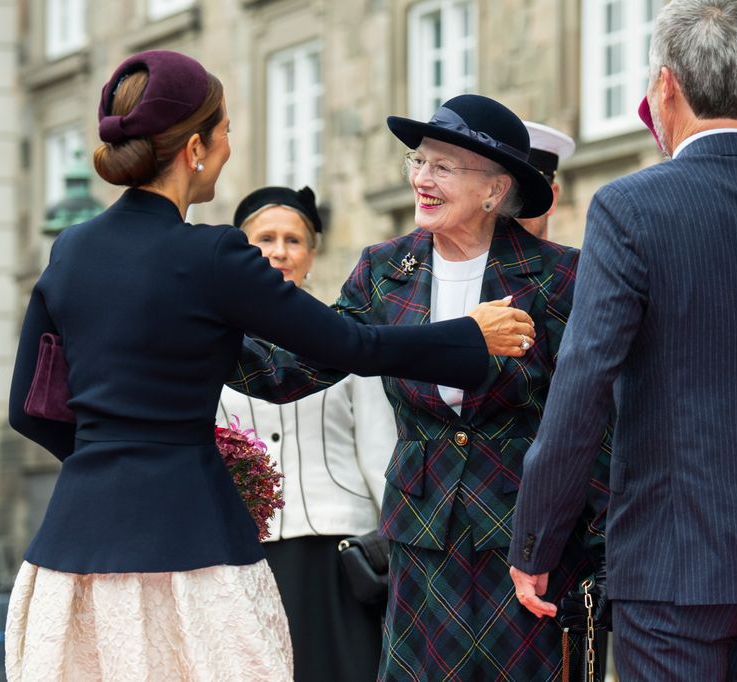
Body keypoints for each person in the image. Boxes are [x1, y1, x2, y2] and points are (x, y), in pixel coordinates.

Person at [3, 50, 533, 681]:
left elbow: (28, 408)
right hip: (193, 543)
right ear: (195, 146)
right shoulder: (212, 254)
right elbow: (349, 346)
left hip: (72, 547)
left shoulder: (72, 249)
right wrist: (469, 335)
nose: (229, 150)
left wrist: (110, 463)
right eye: (226, 135)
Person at [507, 1, 737, 679]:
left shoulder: (630, 207)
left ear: (666, 86)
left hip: (674, 560)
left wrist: (535, 539)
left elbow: (583, 386)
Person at [229, 94, 611, 681]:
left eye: (444, 167)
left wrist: (597, 547)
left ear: (494, 189)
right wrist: (194, 342)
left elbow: (596, 419)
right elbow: (298, 368)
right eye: (419, 161)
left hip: (528, 551)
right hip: (421, 544)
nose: (422, 179)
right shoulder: (384, 270)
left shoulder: (562, 275)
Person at [216, 185, 395, 681]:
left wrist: (396, 542)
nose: (279, 251)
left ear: (311, 253)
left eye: (293, 240)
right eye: (265, 238)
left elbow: (380, 450)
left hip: (340, 554)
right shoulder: (211, 341)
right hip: (245, 552)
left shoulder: (348, 336)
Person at [515, 121, 575, 240]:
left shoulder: (577, 259)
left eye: (525, 192)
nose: (509, 207)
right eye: (498, 190)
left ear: (552, 198)